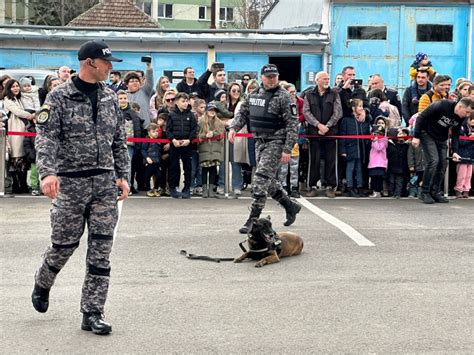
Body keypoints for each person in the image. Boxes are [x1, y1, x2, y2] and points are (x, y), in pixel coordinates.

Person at [31, 40, 129, 335]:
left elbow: (118, 141)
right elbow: (46, 138)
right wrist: (47, 174)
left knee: (101, 250)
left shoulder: (111, 98)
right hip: (71, 183)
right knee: (64, 245)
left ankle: (92, 311)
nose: (111, 68)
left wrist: (123, 176)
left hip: (104, 184)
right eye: (107, 62)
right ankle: (43, 280)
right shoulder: (59, 97)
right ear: (90, 63)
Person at [229, 64, 301, 234]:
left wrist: (287, 149)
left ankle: (253, 219)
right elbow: (243, 114)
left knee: (260, 178)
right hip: (259, 141)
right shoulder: (253, 95)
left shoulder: (284, 97)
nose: (272, 79)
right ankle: (289, 205)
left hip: (276, 142)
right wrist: (233, 128)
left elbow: (292, 125)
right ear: (262, 77)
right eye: (269, 77)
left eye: (274, 76)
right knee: (268, 182)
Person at [412, 97, 473, 203]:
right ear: (459, 106)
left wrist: (455, 151)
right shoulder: (441, 105)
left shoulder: (460, 117)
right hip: (426, 133)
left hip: (441, 137)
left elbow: (455, 134)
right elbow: (421, 117)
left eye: (469, 113)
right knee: (433, 161)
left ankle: (435, 192)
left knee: (443, 164)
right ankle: (424, 192)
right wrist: (416, 136)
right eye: (467, 112)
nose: (467, 115)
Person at [303, 71, 343, 198]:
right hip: (314, 134)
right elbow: (306, 112)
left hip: (331, 133)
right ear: (317, 80)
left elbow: (338, 112)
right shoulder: (308, 94)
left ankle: (331, 186)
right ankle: (312, 186)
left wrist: (327, 126)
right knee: (313, 160)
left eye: (328, 79)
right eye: (324, 79)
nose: (327, 81)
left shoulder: (334, 94)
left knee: (331, 160)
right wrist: (318, 125)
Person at [166, 92, 198, 199]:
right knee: (174, 167)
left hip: (187, 144)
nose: (185, 103)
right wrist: (173, 140)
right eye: (183, 101)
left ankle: (187, 188)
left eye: (186, 101)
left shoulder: (191, 115)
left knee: (187, 167)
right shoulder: (171, 114)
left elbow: (194, 129)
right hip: (175, 144)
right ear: (177, 102)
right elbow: (168, 130)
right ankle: (173, 187)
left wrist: (189, 140)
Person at [339, 99, 371, 197]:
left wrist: (366, 114)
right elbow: (343, 135)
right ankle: (350, 187)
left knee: (359, 168)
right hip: (350, 148)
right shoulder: (346, 120)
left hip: (361, 149)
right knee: (350, 168)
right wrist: (343, 150)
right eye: (359, 106)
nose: (362, 108)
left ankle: (360, 187)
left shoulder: (363, 120)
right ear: (353, 108)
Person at [117, 89, 143, 195]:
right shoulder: (112, 110)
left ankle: (127, 186)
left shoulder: (132, 113)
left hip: (129, 144)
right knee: (115, 165)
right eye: (120, 99)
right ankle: (115, 186)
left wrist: (137, 143)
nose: (123, 100)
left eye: (124, 98)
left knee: (127, 165)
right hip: (114, 144)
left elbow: (137, 128)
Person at [197, 103, 226, 198]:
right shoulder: (201, 121)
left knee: (213, 170)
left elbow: (221, 133)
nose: (212, 112)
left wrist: (213, 134)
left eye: (214, 110)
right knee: (204, 170)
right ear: (206, 111)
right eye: (210, 110)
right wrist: (205, 135)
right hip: (204, 148)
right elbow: (197, 134)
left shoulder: (219, 122)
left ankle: (211, 190)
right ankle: (205, 190)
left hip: (215, 149)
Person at [452, 115, 473, 198]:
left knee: (469, 175)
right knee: (462, 174)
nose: (472, 121)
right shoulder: (461, 128)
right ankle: (458, 189)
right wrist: (469, 138)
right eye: (471, 119)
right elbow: (460, 142)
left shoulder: (471, 128)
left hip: (471, 155)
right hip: (462, 155)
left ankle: (466, 190)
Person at [387, 128, 410, 198]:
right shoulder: (390, 145)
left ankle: (397, 193)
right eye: (399, 134)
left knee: (399, 181)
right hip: (392, 166)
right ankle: (391, 193)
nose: (402, 135)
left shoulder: (405, 145)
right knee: (391, 181)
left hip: (401, 167)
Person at [141, 123, 162, 197]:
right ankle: (148, 189)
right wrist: (146, 158)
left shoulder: (158, 141)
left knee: (159, 176)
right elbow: (143, 150)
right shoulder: (146, 140)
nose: (156, 133)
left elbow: (160, 151)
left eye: (157, 131)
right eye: (154, 131)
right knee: (147, 176)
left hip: (157, 162)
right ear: (149, 132)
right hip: (149, 162)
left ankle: (155, 189)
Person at [368, 123, 388, 198]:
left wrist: (375, 141)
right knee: (373, 177)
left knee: (378, 178)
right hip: (373, 163)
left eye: (379, 133)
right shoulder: (373, 140)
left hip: (380, 163)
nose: (377, 135)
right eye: (375, 133)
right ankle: (374, 191)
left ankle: (378, 191)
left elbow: (378, 148)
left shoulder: (384, 140)